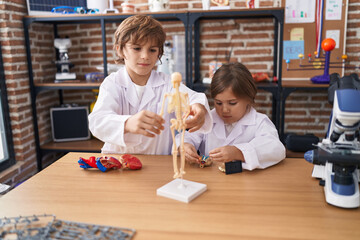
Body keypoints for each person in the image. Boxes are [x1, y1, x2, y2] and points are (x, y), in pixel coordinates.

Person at [88, 15, 212, 155]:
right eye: (137, 48)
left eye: (152, 50)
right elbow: (97, 122)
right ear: (120, 50)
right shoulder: (112, 83)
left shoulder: (168, 84)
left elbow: (194, 99)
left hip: (158, 164)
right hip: (117, 163)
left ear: (159, 52)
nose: (145, 56)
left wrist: (199, 108)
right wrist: (127, 123)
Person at [179, 62, 285, 170]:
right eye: (218, 103)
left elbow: (276, 149)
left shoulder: (259, 121)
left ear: (248, 98)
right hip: (211, 180)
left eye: (232, 103)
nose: (224, 110)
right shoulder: (208, 118)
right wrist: (186, 146)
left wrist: (239, 152)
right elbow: (188, 137)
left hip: (245, 182)